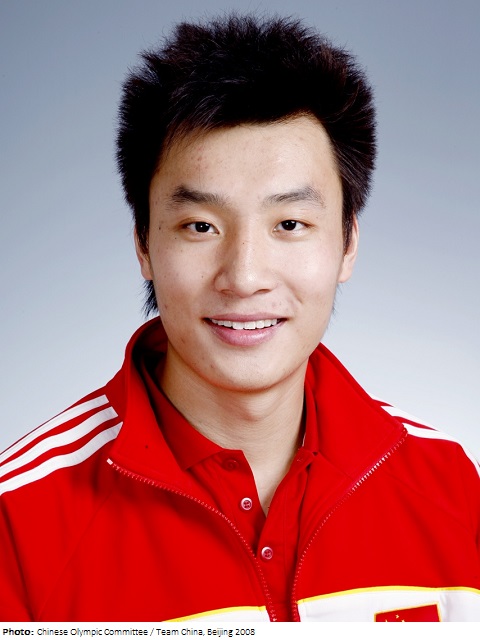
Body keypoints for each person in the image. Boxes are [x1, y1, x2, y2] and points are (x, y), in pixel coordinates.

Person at [0, 14, 479, 623]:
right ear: (143, 244)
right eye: (201, 226)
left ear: (348, 243)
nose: (245, 275)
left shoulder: (451, 488)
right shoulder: (19, 520)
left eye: (290, 224)